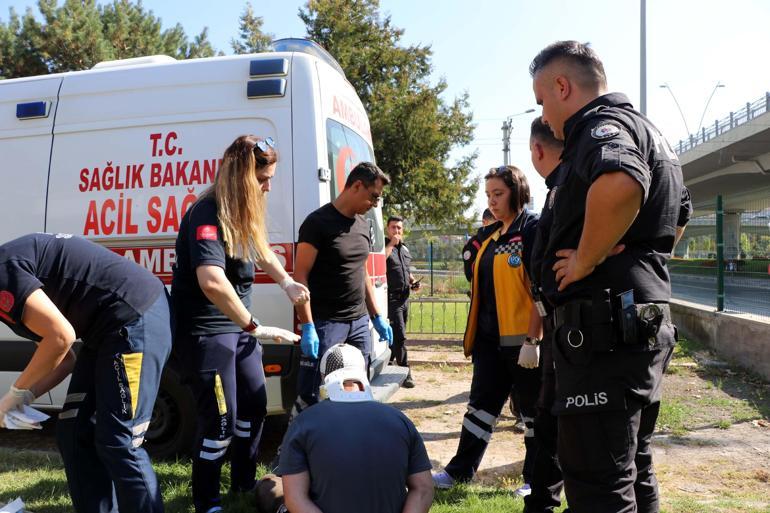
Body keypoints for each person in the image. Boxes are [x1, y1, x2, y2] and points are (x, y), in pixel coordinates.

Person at [530, 41, 687, 513]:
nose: (546, 115)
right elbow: (678, 215)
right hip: (634, 325)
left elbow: (622, 180)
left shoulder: (600, 127)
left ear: (563, 86)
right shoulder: (651, 131)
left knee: (598, 482)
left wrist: (586, 258)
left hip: (603, 333)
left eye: (542, 101)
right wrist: (636, 257)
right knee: (632, 468)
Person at [172, 135, 302, 513]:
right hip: (208, 332)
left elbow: (261, 249)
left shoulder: (241, 211)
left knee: (255, 406)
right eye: (263, 178)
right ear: (243, 177)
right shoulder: (206, 213)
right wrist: (252, 326)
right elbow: (212, 281)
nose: (268, 186)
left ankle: (244, 483)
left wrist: (287, 281)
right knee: (219, 423)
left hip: (239, 331)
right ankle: (207, 503)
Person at [0, 232, 171, 513]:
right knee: (74, 430)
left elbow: (61, 337)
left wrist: (13, 395)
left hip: (135, 317)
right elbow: (64, 358)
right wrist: (25, 396)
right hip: (104, 331)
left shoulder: (3, 274)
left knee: (120, 441)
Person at [432, 165, 542, 495]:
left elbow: (541, 288)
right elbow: (475, 274)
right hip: (489, 342)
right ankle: (459, 472)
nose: (492, 202)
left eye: (498, 194)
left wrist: (533, 340)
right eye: (488, 196)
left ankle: (535, 481)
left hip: (523, 342)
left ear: (517, 192)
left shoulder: (532, 229)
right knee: (479, 409)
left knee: (533, 414)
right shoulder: (492, 235)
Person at [277, 343, 434, 513]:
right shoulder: (401, 421)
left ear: (323, 377)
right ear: (364, 374)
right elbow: (423, 489)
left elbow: (295, 498)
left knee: (268, 486)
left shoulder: (303, 423)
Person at [292, 161, 393, 416]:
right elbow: (300, 276)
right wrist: (308, 326)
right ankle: (296, 449)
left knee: (359, 390)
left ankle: (351, 447)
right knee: (314, 395)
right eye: (374, 196)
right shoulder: (317, 223)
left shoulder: (362, 225)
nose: (375, 204)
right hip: (327, 323)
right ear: (357, 185)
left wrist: (377, 316)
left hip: (358, 322)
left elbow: (363, 273)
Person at [522, 116, 567, 513]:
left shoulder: (571, 188)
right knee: (548, 422)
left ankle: (541, 502)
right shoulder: (560, 191)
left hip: (572, 332)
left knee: (557, 426)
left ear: (537, 150)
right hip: (558, 329)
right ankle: (540, 502)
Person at [385, 215, 421, 388]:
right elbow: (380, 261)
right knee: (400, 336)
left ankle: (388, 363)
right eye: (393, 227)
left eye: (399, 228)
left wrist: (413, 282)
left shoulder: (404, 249)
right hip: (391, 299)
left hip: (405, 298)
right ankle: (406, 372)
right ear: (387, 229)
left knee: (397, 335)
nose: (396, 231)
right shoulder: (385, 246)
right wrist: (391, 244)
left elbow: (406, 271)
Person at [461, 208, 497, 283]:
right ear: (484, 222)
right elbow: (470, 275)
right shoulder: (472, 245)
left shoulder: (501, 241)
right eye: (496, 223)